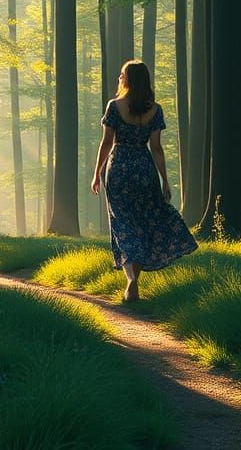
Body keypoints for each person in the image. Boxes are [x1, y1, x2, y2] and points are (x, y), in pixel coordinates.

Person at [91, 59, 198, 302]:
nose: (119, 78)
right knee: (143, 223)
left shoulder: (114, 106)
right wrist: (165, 181)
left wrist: (97, 172)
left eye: (121, 75)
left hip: (118, 168)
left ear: (127, 79)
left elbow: (107, 142)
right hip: (144, 168)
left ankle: (131, 280)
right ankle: (134, 280)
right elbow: (157, 148)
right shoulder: (155, 109)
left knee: (123, 223)